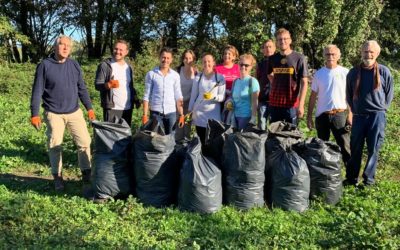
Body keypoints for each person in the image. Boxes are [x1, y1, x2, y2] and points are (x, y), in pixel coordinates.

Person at [30, 35, 95, 191]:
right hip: (54, 113)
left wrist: (90, 108)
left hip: (74, 112)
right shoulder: (44, 65)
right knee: (55, 145)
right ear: (55, 46)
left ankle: (86, 173)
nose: (65, 48)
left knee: (85, 143)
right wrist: (35, 113)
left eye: (68, 45)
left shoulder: (74, 65)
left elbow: (82, 89)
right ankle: (57, 176)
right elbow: (37, 90)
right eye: (62, 44)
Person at [345, 40, 394, 186]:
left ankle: (368, 181)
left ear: (377, 54)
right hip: (359, 117)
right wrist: (353, 111)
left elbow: (389, 94)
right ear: (361, 53)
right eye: (366, 51)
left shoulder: (384, 71)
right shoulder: (353, 73)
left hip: (377, 117)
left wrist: (382, 108)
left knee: (373, 148)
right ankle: (352, 178)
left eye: (372, 52)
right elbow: (348, 94)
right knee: (355, 149)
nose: (368, 54)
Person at [307, 44, 351, 168]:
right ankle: (323, 175)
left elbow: (351, 96)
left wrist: (350, 115)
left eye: (333, 54)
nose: (330, 56)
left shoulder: (345, 72)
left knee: (345, 145)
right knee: (322, 147)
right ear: (324, 56)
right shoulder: (319, 74)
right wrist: (309, 116)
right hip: (322, 116)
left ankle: (351, 176)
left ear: (338, 56)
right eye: (327, 54)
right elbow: (313, 96)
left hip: (340, 115)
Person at [267, 28, 308, 125]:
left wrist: (301, 105)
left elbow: (304, 83)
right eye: (280, 39)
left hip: (291, 105)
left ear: (290, 40)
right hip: (274, 104)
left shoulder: (299, 58)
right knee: (274, 135)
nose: (283, 41)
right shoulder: (272, 58)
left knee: (292, 136)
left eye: (285, 39)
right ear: (276, 42)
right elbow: (269, 74)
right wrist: (277, 84)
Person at [94, 39, 140, 126]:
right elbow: (97, 85)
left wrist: (136, 99)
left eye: (121, 50)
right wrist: (107, 85)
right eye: (116, 49)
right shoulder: (105, 65)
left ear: (126, 52)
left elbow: (129, 86)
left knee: (125, 136)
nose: (117, 52)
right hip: (112, 108)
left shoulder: (128, 67)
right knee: (111, 136)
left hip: (128, 108)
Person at [142, 47, 184, 134]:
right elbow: (146, 96)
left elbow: (178, 96)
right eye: (163, 57)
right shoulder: (151, 74)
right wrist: (145, 115)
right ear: (159, 57)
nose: (165, 60)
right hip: (155, 114)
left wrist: (181, 114)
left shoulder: (175, 75)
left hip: (171, 113)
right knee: (155, 139)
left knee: (171, 139)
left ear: (171, 60)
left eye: (168, 58)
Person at [188, 53, 226, 144]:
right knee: (200, 141)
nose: (206, 64)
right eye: (204, 62)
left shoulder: (219, 77)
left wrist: (213, 97)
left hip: (213, 115)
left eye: (209, 61)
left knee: (212, 141)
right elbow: (193, 96)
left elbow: (222, 97)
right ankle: (201, 158)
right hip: (199, 114)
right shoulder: (198, 77)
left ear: (214, 63)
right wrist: (189, 111)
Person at [229, 54, 260, 129]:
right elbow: (232, 97)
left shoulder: (252, 81)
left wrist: (253, 118)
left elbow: (254, 102)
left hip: (246, 117)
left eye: (246, 65)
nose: (243, 67)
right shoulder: (235, 81)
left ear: (251, 67)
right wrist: (229, 102)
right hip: (234, 116)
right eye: (241, 64)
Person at [175, 49, 197, 142]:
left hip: (190, 104)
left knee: (187, 127)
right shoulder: (178, 71)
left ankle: (187, 148)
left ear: (193, 59)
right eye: (186, 58)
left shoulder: (196, 72)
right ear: (183, 59)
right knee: (178, 126)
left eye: (190, 58)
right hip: (178, 103)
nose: (188, 61)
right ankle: (177, 146)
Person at [256, 39, 276, 130]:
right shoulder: (260, 64)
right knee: (261, 126)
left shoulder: (279, 63)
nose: (268, 49)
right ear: (263, 50)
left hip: (275, 100)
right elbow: (256, 81)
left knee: (274, 127)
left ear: (274, 48)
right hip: (263, 99)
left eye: (270, 46)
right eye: (266, 47)